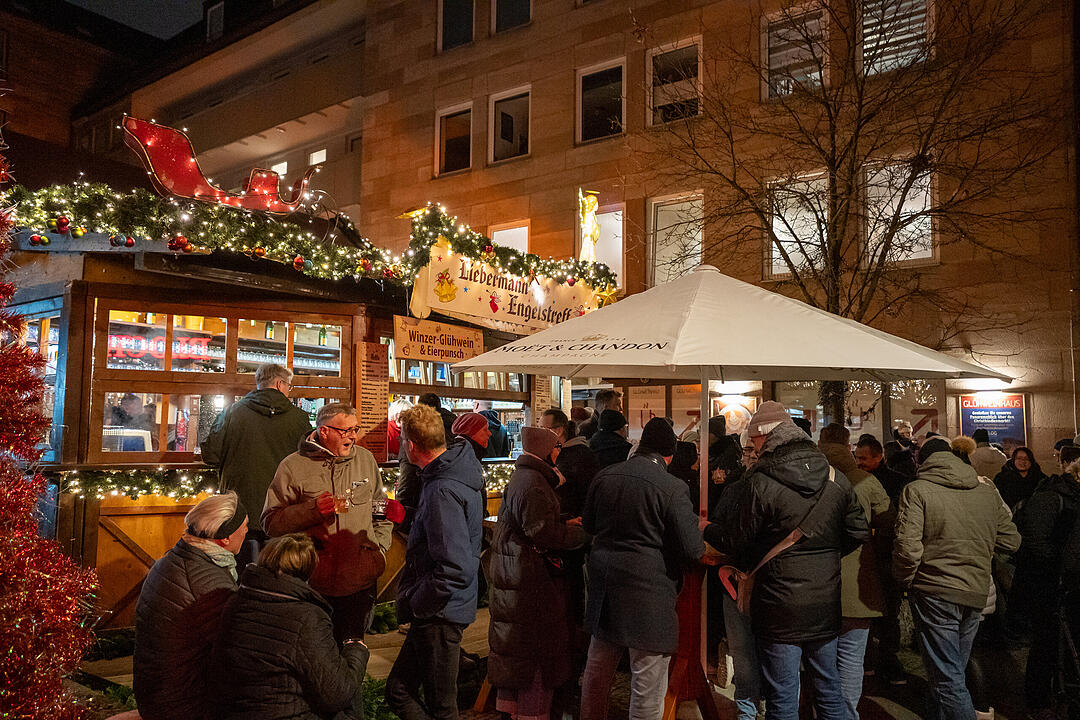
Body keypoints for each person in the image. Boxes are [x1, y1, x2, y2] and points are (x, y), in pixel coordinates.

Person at [702, 403, 868, 720]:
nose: (753, 446)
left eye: (753, 439)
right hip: (825, 601)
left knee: (782, 698)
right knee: (829, 691)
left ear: (765, 436)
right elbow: (858, 531)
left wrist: (706, 528)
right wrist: (824, 556)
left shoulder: (760, 481)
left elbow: (735, 541)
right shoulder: (834, 477)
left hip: (777, 604)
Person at [580, 417, 704, 720]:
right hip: (649, 595)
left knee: (596, 674)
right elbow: (693, 549)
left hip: (604, 587)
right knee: (647, 686)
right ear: (669, 454)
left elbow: (589, 525)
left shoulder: (605, 475)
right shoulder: (672, 487)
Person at [893, 437, 1020, 720]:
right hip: (975, 590)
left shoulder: (917, 490)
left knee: (947, 679)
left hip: (934, 590)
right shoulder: (985, 490)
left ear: (921, 461)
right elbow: (1011, 541)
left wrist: (904, 581)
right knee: (952, 671)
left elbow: (907, 548)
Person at [263, 402, 393, 644]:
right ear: (324, 431)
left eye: (355, 429)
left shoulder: (365, 460)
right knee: (314, 652)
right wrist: (311, 510)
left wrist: (379, 549)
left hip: (359, 581)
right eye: (346, 431)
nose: (353, 436)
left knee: (353, 652)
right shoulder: (292, 466)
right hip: (312, 584)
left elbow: (379, 509)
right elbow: (271, 523)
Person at [387, 403, 486, 720]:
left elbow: (454, 567)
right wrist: (407, 517)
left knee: (441, 706)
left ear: (411, 446)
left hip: (440, 612)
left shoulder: (442, 488)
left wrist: (418, 602)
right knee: (399, 690)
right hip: (441, 608)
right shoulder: (449, 474)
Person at [489, 426, 589, 720]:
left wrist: (563, 521)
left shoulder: (526, 477)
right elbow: (543, 533)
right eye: (556, 447)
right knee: (534, 654)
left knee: (519, 650)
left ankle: (517, 710)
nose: (559, 452)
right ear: (545, 451)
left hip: (517, 574)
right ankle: (531, 713)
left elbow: (533, 521)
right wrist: (583, 535)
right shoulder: (534, 482)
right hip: (529, 578)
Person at [214, 533, 369, 719]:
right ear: (309, 570)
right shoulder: (306, 617)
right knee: (350, 700)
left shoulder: (235, 602)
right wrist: (356, 649)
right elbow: (337, 693)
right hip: (286, 713)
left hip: (235, 711)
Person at [133, 492, 249, 720]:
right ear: (225, 538)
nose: (246, 531)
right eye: (244, 526)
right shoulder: (209, 584)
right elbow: (234, 650)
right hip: (183, 703)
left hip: (157, 693)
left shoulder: (174, 559)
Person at [818, 423, 891, 720]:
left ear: (820, 443)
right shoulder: (867, 482)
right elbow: (889, 524)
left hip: (813, 585)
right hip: (858, 586)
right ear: (848, 446)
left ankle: (821, 711)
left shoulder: (807, 477)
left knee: (820, 661)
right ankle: (846, 714)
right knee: (851, 659)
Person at [202, 363, 312, 548]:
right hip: (283, 508)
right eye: (288, 386)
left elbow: (211, 455)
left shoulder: (232, 412)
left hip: (239, 509)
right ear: (279, 384)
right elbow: (308, 461)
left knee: (241, 561)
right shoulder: (300, 418)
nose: (288, 391)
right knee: (278, 562)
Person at [1010, 448, 1079, 714]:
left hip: (1069, 582)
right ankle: (1038, 701)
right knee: (1046, 642)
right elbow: (1035, 540)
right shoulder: (1053, 496)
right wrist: (1060, 565)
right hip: (1048, 582)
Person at [539, 407, 599, 518]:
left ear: (558, 431)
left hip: (576, 519)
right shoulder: (554, 452)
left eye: (543, 428)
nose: (539, 433)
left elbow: (583, 493)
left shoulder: (579, 455)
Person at [855, 435, 911, 502]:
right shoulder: (856, 478)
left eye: (863, 458)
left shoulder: (898, 482)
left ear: (878, 457)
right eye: (856, 458)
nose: (858, 462)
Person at [993, 446, 1046, 511]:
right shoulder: (1001, 478)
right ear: (1013, 460)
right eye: (1019, 458)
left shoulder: (1040, 478)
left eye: (1027, 459)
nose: (1023, 461)